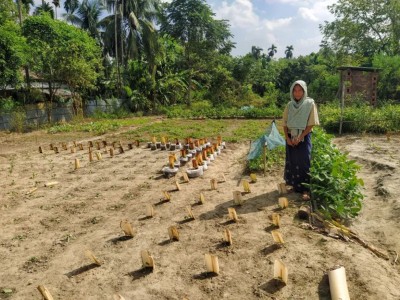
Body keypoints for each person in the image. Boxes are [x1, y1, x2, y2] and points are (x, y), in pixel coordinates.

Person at [282, 80, 319, 194]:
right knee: (292, 161)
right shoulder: (289, 105)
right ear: (292, 92)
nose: (297, 93)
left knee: (304, 162)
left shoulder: (310, 104)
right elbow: (284, 123)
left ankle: (305, 190)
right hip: (291, 137)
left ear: (304, 92)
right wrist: (288, 139)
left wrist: (301, 136)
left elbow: (311, 123)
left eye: (300, 91)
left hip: (304, 136)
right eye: (295, 90)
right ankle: (294, 186)